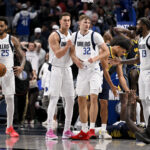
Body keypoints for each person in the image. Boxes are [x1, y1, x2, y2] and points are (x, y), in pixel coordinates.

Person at [70, 14, 110, 140]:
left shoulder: (95, 35)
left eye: (88, 23)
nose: (87, 24)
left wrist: (95, 58)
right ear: (79, 23)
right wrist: (75, 60)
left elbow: (106, 51)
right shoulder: (74, 36)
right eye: (85, 22)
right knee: (81, 99)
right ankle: (84, 129)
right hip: (82, 69)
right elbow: (71, 52)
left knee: (93, 97)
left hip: (94, 70)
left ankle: (92, 128)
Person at [110, 17, 150, 127]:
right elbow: (137, 60)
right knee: (144, 101)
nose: (136, 26)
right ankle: (147, 128)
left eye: (138, 24)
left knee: (149, 101)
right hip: (143, 71)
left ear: (145, 26)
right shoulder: (141, 39)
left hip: (149, 72)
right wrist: (120, 62)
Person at [46, 12, 75, 140]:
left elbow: (73, 53)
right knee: (54, 99)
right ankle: (49, 131)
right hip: (56, 69)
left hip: (67, 69)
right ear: (60, 22)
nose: (67, 22)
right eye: (64, 20)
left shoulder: (72, 35)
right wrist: (68, 46)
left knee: (70, 99)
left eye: (69, 20)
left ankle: (67, 130)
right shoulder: (54, 35)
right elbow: (58, 54)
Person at [0, 17, 25, 137]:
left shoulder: (12, 39)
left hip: (8, 71)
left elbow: (22, 56)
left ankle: (9, 127)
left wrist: (21, 66)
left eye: (1, 26)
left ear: (6, 27)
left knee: (9, 98)